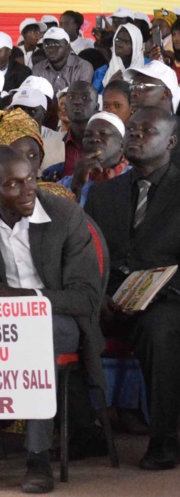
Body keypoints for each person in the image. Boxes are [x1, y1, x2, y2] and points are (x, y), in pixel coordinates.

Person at [0, 146, 102, 493]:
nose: (27, 191)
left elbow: (85, 297)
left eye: (30, 180)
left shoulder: (65, 214)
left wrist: (23, 298)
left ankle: (38, 459)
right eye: (13, 185)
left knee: (36, 337)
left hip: (56, 318)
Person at [85, 107, 180, 470]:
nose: (136, 135)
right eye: (132, 129)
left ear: (170, 141)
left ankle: (164, 439)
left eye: (148, 131)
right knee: (59, 322)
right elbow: (87, 256)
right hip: (106, 298)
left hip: (164, 299)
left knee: (160, 330)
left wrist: (152, 294)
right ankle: (82, 431)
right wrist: (100, 295)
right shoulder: (103, 193)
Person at [59, 112, 129, 204]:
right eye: (88, 135)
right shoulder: (68, 183)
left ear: (122, 144)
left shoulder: (133, 179)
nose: (94, 139)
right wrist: (77, 186)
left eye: (103, 134)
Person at [8, 88, 66, 173]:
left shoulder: (59, 142)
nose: (25, 116)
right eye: (19, 111)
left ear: (44, 114)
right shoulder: (1, 139)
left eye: (32, 111)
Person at [56, 81, 99, 179]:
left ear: (96, 107)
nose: (77, 102)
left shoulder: (105, 146)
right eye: (71, 97)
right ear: (65, 106)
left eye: (85, 97)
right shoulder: (50, 145)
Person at [33, 27, 94, 94]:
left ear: (68, 47)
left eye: (56, 45)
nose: (50, 49)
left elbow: (79, 97)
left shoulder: (83, 67)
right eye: (46, 45)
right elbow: (37, 96)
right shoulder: (38, 68)